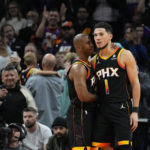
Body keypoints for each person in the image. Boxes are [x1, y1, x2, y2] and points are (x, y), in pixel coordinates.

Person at [91, 22, 141, 150]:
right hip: (102, 108)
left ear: (110, 36)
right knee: (98, 147)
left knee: (125, 147)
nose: (97, 38)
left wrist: (135, 111)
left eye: (101, 34)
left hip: (121, 107)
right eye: (95, 35)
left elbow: (135, 83)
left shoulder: (124, 54)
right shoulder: (93, 61)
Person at [67, 33, 98, 149]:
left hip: (90, 112)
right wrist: (102, 97)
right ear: (79, 47)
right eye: (88, 43)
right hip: (79, 113)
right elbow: (83, 96)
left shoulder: (89, 64)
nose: (92, 45)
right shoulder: (78, 67)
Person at [25, 54, 64, 128]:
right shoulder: (60, 80)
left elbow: (25, 97)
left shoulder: (33, 80)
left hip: (37, 122)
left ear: (42, 64)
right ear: (55, 65)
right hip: (55, 123)